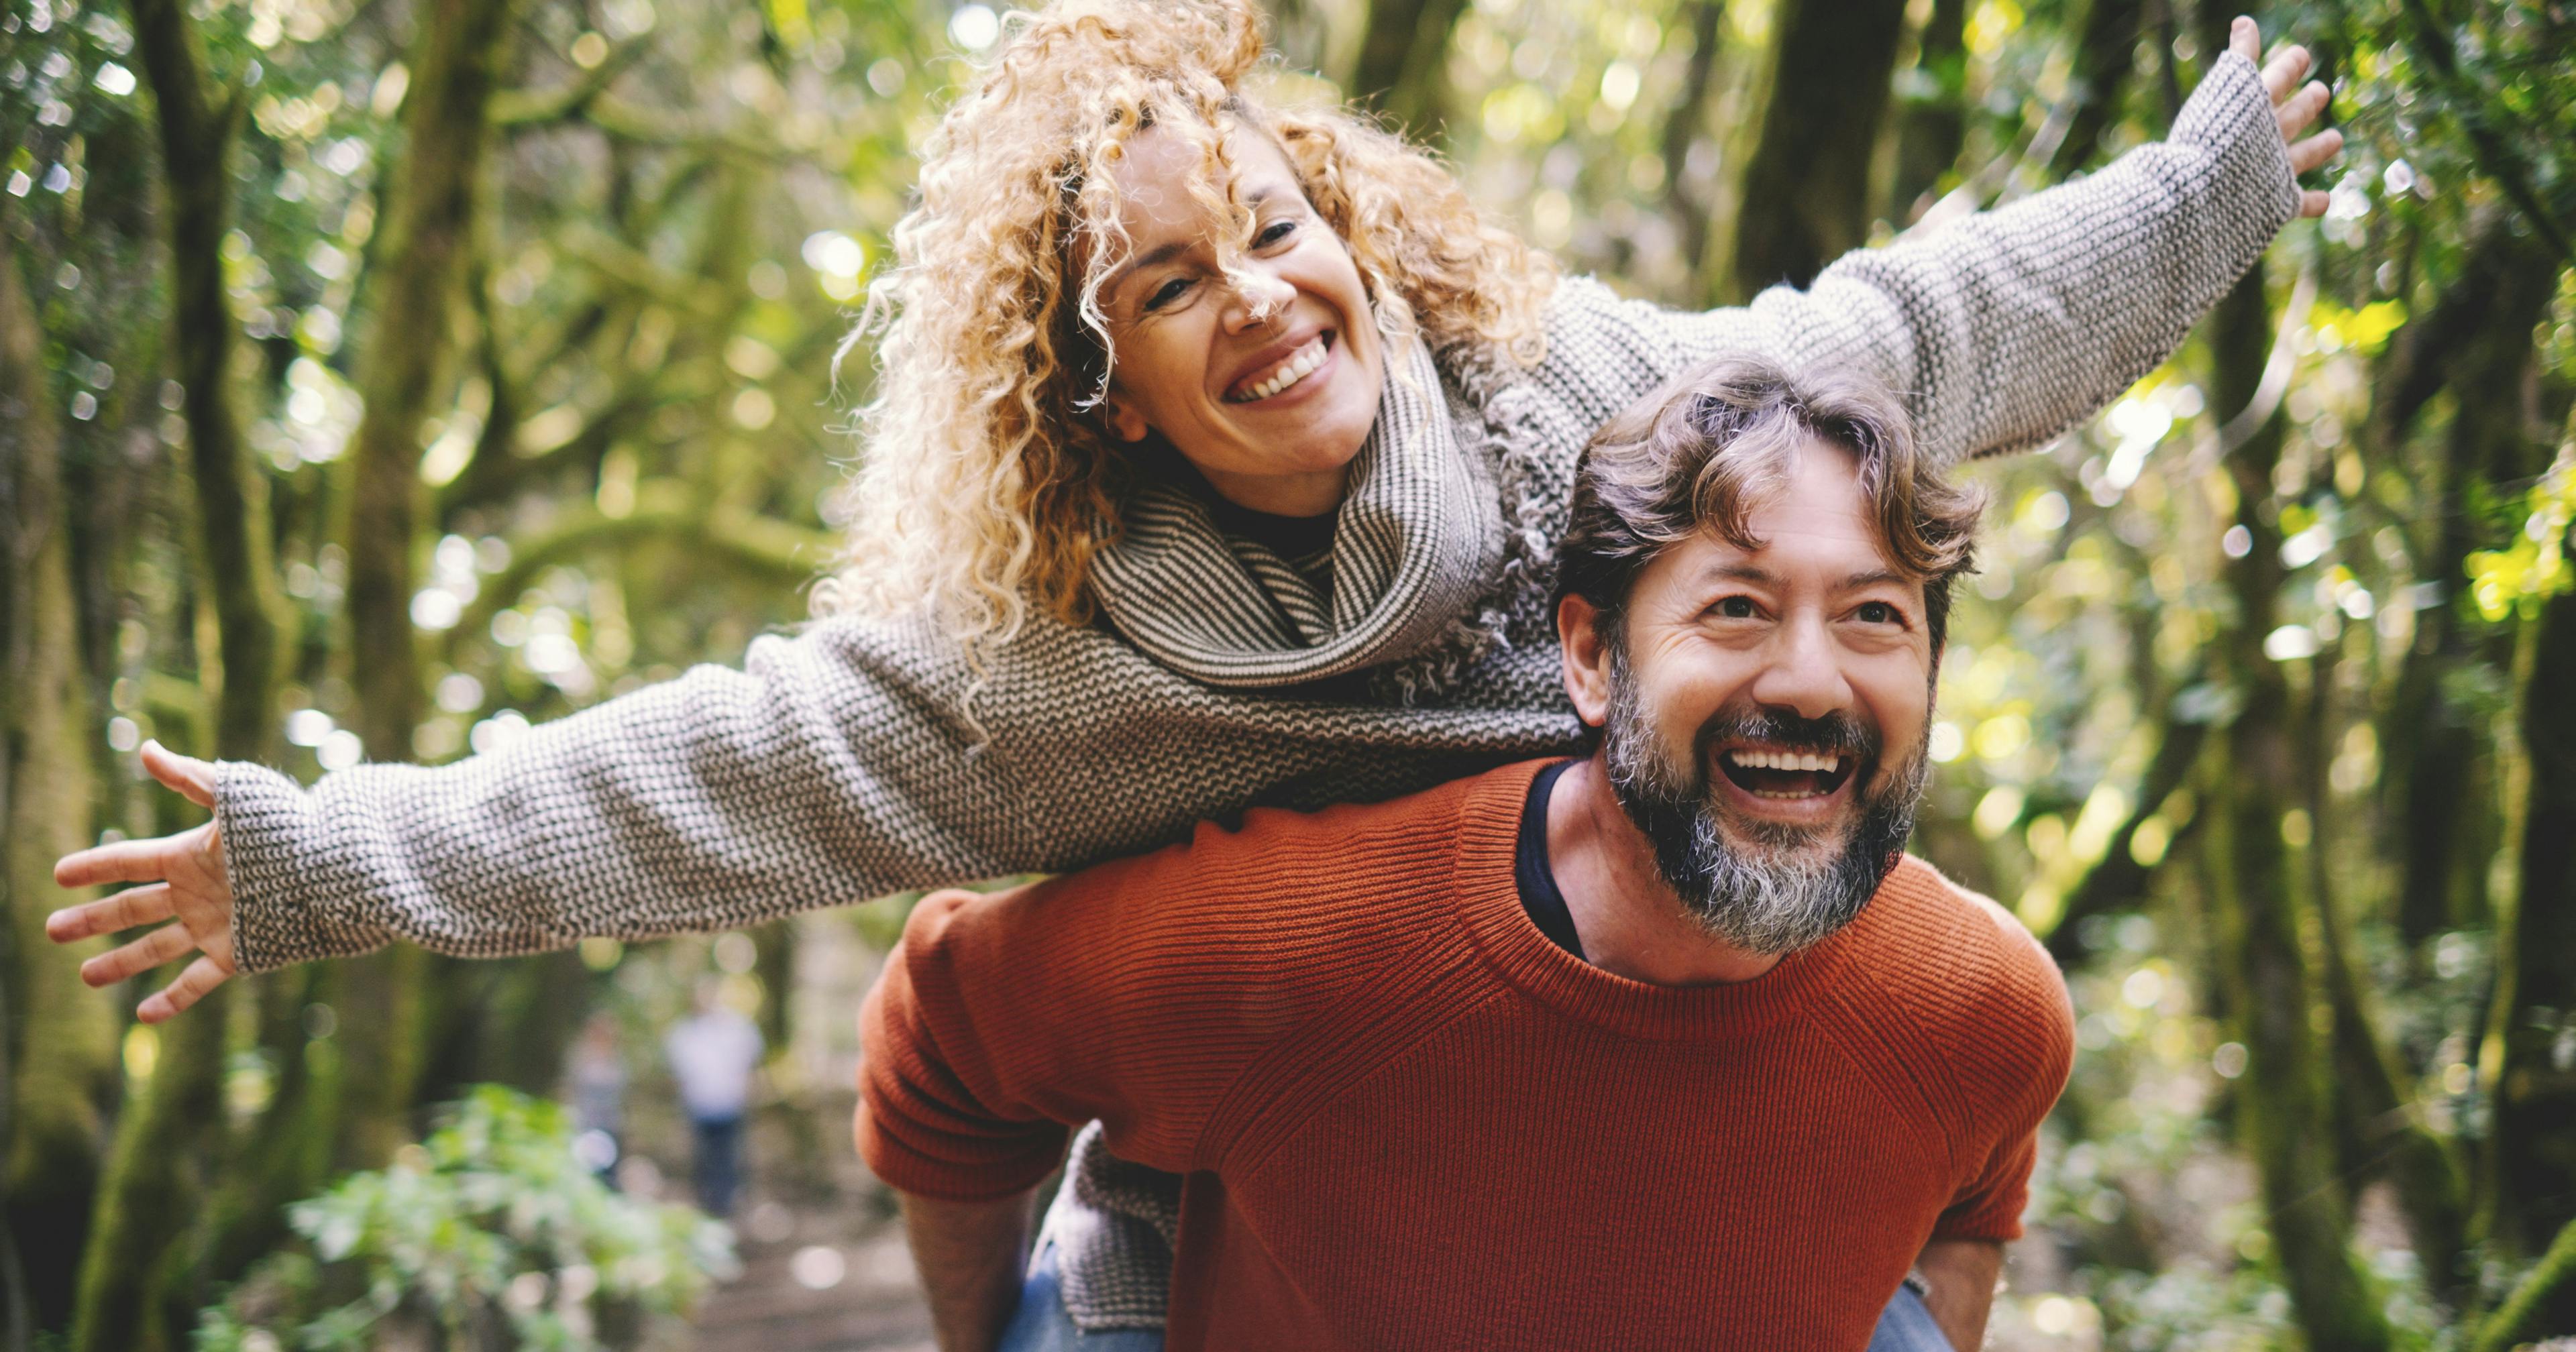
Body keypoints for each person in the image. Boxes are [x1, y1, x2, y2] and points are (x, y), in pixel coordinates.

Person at [46, 0, 2339, 1338]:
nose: (1255, 291)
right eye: (1163, 286)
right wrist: (317, 855)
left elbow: (1915, 332)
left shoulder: (1579, 412)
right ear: (1105, 390)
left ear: (1356, 236)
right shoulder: (1049, 672)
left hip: (1589, 1082)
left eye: (1277, 224)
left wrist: (2212, 184)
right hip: (1214, 1209)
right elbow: (696, 775)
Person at [861, 353, 2057, 1352]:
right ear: (1593, 660)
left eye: (1874, 616)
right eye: (1736, 607)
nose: (1809, 680)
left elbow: (1976, 1202)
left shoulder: (1983, 1012)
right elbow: (947, 1036)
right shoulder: (1304, 947)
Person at [666, 980, 766, 1217]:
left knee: (728, 1159)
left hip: (730, 1105)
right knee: (703, 1160)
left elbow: (751, 1061)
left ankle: (727, 1209)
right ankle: (707, 1209)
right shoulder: (684, 1034)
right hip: (699, 1106)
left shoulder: (736, 1028)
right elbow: (679, 1073)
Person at [568, 1011, 628, 1186]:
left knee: (609, 1176)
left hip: (610, 1124)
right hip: (586, 1124)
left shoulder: (617, 1059)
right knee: (586, 1173)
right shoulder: (581, 1058)